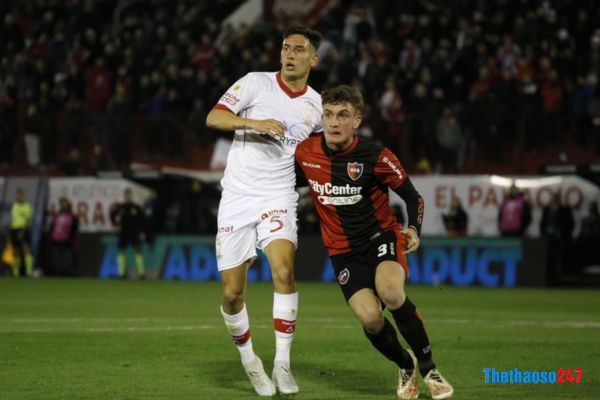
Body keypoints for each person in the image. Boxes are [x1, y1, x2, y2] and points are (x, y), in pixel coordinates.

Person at [295, 85, 453, 399]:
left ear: (356, 121)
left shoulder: (376, 156)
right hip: (343, 252)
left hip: (382, 238)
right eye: (328, 114)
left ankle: (429, 367)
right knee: (370, 318)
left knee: (392, 293)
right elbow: (279, 178)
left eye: (343, 115)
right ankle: (404, 363)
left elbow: (413, 197)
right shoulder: (305, 152)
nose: (334, 122)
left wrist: (415, 229)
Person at [205, 26, 323, 396]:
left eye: (298, 49)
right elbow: (214, 117)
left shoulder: (317, 106)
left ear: (313, 59)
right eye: (285, 47)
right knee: (232, 294)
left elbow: (318, 154)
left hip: (278, 194)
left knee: (284, 272)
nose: (289, 54)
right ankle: (251, 362)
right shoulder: (255, 83)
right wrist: (254, 123)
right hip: (238, 196)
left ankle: (283, 365)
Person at [110, 188, 146, 279]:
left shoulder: (136, 207)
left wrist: (141, 232)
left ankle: (141, 273)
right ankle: (121, 273)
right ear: (124, 196)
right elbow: (112, 215)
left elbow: (141, 220)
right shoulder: (121, 207)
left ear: (131, 196)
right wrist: (116, 225)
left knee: (137, 250)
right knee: (121, 251)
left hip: (134, 232)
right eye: (126, 195)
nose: (128, 197)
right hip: (123, 233)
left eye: (129, 195)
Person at [48, 198, 79, 276]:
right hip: (55, 240)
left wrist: (70, 238)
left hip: (66, 241)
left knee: (69, 258)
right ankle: (57, 274)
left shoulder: (72, 217)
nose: (64, 207)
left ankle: (72, 274)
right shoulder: (57, 216)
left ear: (69, 206)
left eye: (66, 205)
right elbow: (52, 227)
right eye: (63, 205)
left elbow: (74, 228)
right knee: (56, 259)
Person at [10, 188, 34, 277]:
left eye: (19, 195)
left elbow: (29, 220)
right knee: (16, 251)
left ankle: (29, 272)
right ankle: (15, 272)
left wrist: (23, 231)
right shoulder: (14, 205)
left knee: (26, 250)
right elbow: (13, 219)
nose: (18, 197)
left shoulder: (27, 206)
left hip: (23, 230)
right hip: (14, 230)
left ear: (23, 196)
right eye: (16, 195)